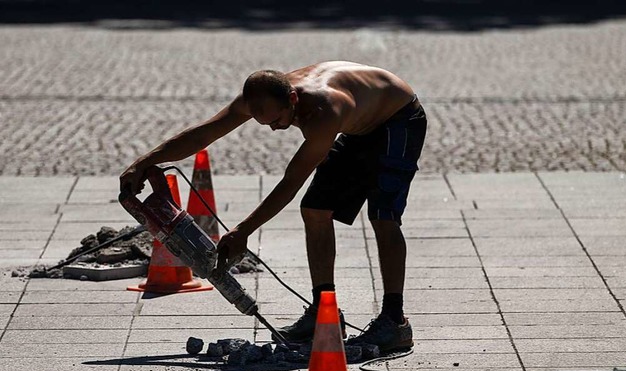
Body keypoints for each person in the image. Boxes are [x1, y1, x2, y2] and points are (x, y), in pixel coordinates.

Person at [120, 61, 427, 353]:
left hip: (398, 119)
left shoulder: (324, 110)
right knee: (315, 210)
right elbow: (204, 134)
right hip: (360, 122)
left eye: (279, 120)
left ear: (292, 98)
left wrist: (244, 231)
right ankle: (325, 310)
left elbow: (291, 181)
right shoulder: (261, 96)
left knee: (383, 216)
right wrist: (144, 162)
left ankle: (394, 321)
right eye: (264, 123)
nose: (274, 129)